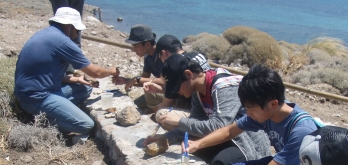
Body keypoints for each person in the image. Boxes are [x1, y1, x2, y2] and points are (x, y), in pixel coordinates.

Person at [184, 65, 318, 165]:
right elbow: (229, 131)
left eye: (250, 108)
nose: (247, 113)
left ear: (273, 104)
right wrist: (196, 144)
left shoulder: (301, 129)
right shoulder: (267, 113)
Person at [144, 54, 270, 165]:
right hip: (224, 139)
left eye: (177, 87)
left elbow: (219, 126)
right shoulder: (198, 92)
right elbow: (194, 124)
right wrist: (166, 137)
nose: (177, 92)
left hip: (247, 144)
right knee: (191, 153)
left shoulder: (225, 87)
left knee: (218, 164)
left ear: (188, 74)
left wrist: (179, 121)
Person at [14, 7, 119, 136]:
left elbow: (43, 73)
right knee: (86, 125)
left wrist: (75, 79)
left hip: (28, 93)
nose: (77, 34)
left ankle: (56, 111)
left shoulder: (45, 34)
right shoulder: (63, 42)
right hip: (37, 98)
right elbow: (96, 73)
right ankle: (39, 122)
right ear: (69, 26)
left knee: (85, 89)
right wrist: (111, 71)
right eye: (77, 30)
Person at [144, 34, 211, 130]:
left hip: (197, 109)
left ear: (164, 53)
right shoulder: (196, 55)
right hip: (202, 102)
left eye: (159, 57)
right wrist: (159, 89)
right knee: (153, 94)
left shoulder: (176, 66)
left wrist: (157, 120)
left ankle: (181, 130)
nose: (161, 61)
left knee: (161, 115)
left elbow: (172, 96)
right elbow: (179, 90)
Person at [112, 24, 164, 113]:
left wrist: (137, 79)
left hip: (173, 94)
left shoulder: (163, 55)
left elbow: (163, 81)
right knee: (136, 104)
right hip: (160, 90)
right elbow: (143, 80)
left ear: (147, 44)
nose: (134, 50)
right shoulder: (148, 57)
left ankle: (159, 117)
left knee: (149, 94)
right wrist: (126, 81)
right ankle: (153, 109)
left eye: (136, 46)